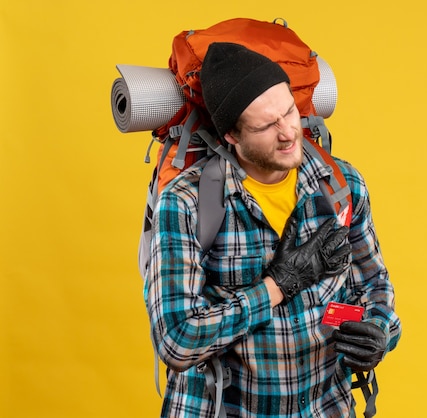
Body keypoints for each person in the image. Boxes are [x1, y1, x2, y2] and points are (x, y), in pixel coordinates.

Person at [144, 42, 401, 418]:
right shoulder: (187, 203)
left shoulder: (341, 185)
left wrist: (381, 332)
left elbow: (376, 286)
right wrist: (277, 286)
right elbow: (176, 341)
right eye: (266, 125)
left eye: (289, 112)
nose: (288, 133)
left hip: (325, 407)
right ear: (231, 134)